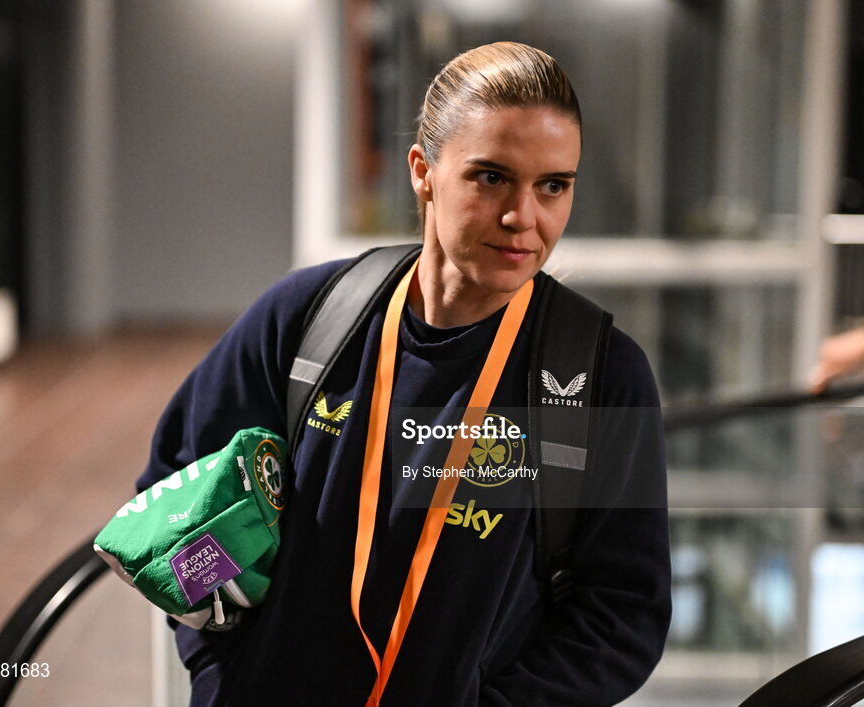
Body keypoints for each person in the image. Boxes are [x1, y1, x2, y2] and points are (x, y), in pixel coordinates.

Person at [136, 42, 671, 706]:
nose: (523, 218)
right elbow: (179, 496)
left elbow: (623, 617)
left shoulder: (597, 374)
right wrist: (223, 668)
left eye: (553, 186)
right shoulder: (308, 318)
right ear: (423, 171)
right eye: (491, 177)